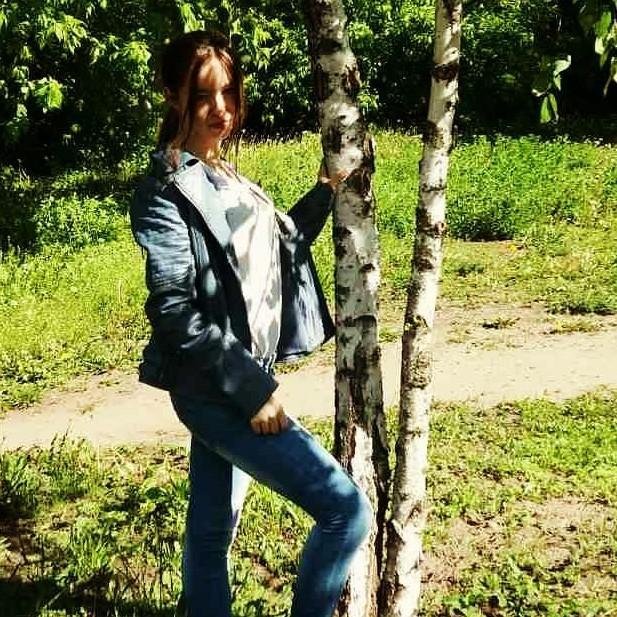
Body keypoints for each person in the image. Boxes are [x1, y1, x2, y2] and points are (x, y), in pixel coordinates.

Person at [129, 30, 373, 617]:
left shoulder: (225, 175)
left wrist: (324, 192)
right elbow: (174, 309)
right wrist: (252, 390)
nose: (221, 109)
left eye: (228, 93)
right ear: (172, 95)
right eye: (203, 95)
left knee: (210, 533)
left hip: (238, 378)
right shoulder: (165, 190)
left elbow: (276, 246)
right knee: (346, 510)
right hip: (220, 388)